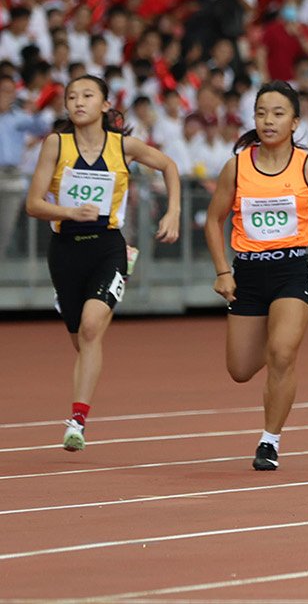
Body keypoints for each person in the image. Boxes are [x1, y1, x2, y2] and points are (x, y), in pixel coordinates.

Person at [203, 82, 308, 471]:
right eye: (261, 113)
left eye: (277, 113)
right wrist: (223, 271)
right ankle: (274, 353)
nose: (268, 121)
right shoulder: (236, 166)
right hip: (248, 272)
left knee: (282, 354)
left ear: (295, 122)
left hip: (291, 269)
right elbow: (213, 219)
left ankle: (269, 440)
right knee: (239, 370)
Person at [23, 75, 181, 451]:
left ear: (105, 105)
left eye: (88, 95)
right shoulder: (55, 145)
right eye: (72, 97)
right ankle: (68, 306)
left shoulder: (123, 146)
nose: (79, 102)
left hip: (110, 247)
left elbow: (169, 166)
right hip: (65, 249)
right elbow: (33, 203)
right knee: (82, 338)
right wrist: (68, 211)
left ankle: (76, 421)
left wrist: (172, 212)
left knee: (93, 329)